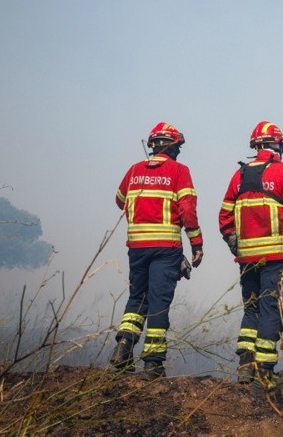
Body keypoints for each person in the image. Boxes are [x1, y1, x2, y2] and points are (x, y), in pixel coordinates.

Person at [219, 121, 283, 384]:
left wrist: (237, 245)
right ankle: (265, 372)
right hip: (277, 259)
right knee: (272, 310)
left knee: (251, 310)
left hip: (247, 260)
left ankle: (245, 368)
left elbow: (224, 218)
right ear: (278, 145)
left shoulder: (239, 176)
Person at [110, 122, 203, 380]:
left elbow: (120, 200)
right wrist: (196, 243)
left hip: (137, 248)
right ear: (173, 148)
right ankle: (153, 364)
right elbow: (188, 209)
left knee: (137, 298)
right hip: (165, 249)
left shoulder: (134, 170)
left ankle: (123, 347)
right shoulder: (179, 171)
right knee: (158, 304)